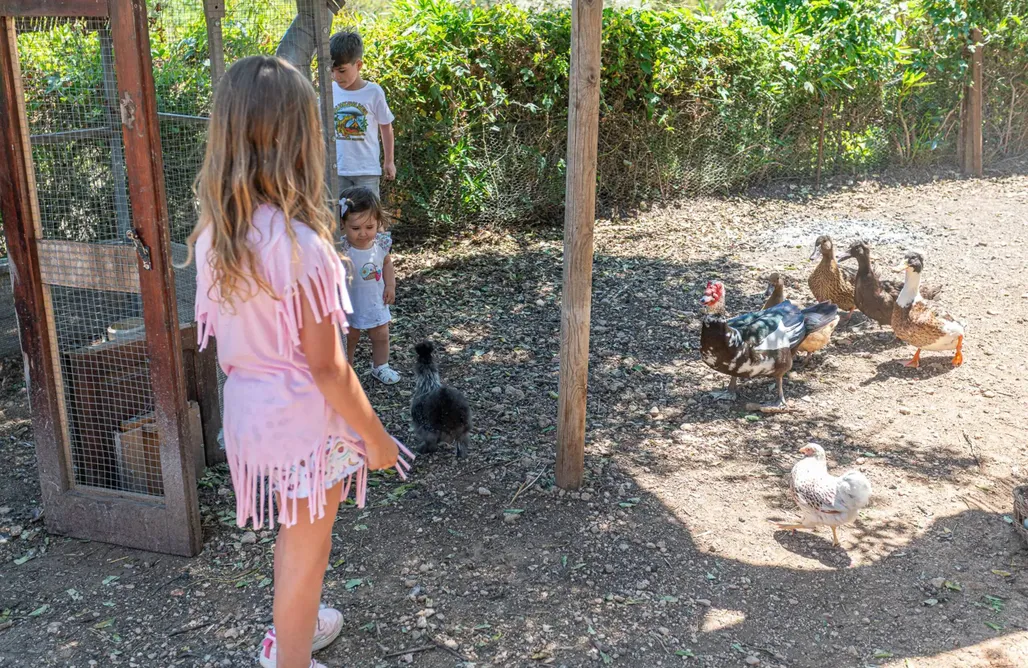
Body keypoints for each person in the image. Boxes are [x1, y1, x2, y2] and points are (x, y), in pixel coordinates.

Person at [186, 55, 412, 668]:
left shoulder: (212, 237)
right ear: (295, 139)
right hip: (305, 424)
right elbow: (327, 367)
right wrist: (378, 438)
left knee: (295, 532)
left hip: (250, 415)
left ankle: (297, 628)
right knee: (308, 547)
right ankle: (292, 657)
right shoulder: (303, 246)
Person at [338, 186, 398, 384]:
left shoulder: (380, 244)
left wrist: (390, 286)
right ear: (343, 224)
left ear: (378, 223)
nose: (363, 233)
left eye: (369, 227)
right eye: (356, 228)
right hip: (350, 303)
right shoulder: (342, 247)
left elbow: (387, 263)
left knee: (381, 335)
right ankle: (347, 369)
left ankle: (381, 366)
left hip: (375, 299)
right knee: (350, 338)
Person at [329, 30, 394, 200]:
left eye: (342, 70)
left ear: (358, 65)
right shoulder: (329, 91)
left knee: (368, 216)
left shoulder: (373, 92)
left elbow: (386, 127)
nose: (336, 76)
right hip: (337, 170)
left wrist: (389, 161)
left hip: (367, 171)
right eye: (332, 70)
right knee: (339, 218)